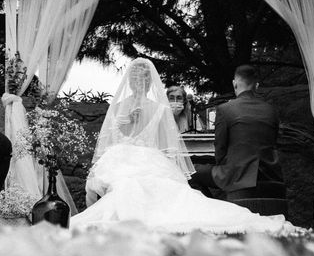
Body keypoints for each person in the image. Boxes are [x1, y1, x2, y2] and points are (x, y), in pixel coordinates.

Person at [71, 58, 290, 233]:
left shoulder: (221, 109)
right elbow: (167, 146)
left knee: (155, 183)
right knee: (175, 183)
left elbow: (217, 149)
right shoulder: (269, 109)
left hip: (134, 161)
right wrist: (128, 124)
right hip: (269, 171)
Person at [189, 65, 283, 198]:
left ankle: (212, 210)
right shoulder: (271, 110)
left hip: (237, 175)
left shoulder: (225, 109)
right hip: (271, 174)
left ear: (234, 84)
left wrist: (226, 168)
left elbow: (220, 150)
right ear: (256, 86)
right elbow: (273, 142)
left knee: (190, 172)